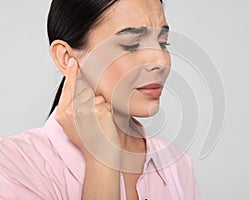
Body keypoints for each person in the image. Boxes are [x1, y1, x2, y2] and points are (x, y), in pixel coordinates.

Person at [0, 0, 200, 199]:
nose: (160, 61)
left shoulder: (177, 163)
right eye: (132, 45)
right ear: (66, 57)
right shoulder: (12, 164)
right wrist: (102, 159)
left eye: (163, 42)